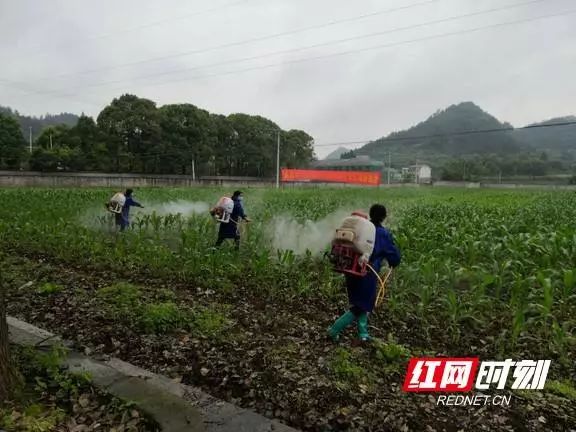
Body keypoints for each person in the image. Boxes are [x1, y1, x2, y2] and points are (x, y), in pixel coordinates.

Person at [328, 204, 401, 343]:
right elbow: (392, 254)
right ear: (384, 217)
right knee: (360, 306)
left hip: (351, 268)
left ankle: (363, 334)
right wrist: (395, 261)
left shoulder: (362, 228)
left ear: (371, 214)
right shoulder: (382, 233)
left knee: (362, 303)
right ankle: (334, 330)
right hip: (367, 272)